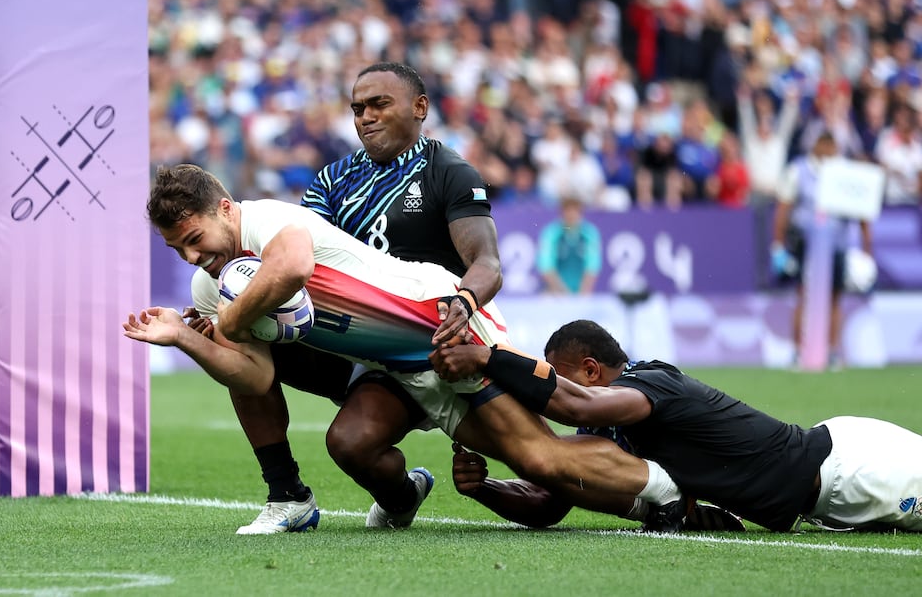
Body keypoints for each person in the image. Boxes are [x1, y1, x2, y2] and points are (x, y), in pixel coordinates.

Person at [124, 165, 693, 531]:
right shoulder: (210, 285)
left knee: (539, 458)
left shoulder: (269, 221)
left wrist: (229, 318)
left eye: (195, 240)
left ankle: (665, 487)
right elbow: (251, 379)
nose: (193, 259)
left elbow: (293, 268)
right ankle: (649, 501)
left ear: (224, 210)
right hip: (402, 368)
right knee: (519, 459)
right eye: (178, 251)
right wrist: (183, 337)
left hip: (441, 322)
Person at [220, 61, 506, 533]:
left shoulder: (450, 172)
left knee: (536, 455)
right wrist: (227, 302)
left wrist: (466, 301)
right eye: (357, 108)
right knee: (235, 333)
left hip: (425, 345)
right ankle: (293, 495)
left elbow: (487, 263)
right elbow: (296, 258)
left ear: (420, 108)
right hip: (349, 341)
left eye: (379, 104)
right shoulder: (332, 180)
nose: (365, 117)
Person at [430, 320, 922, 532]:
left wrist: (489, 358)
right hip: (829, 492)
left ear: (591, 370)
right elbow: (551, 501)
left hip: (853, 467)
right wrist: (486, 491)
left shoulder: (653, 383)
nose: (559, 385)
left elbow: (575, 406)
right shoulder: (611, 429)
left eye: (562, 373)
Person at [771, 132, 874, 367]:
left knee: (836, 297)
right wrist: (777, 245)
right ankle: (798, 350)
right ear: (816, 146)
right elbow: (783, 209)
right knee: (803, 294)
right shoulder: (798, 170)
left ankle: (832, 350)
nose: (829, 150)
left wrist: (867, 249)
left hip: (836, 244)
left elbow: (862, 213)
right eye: (825, 145)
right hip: (805, 244)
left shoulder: (845, 172)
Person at [535, 195, 602, 295]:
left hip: (581, 293)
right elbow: (546, 267)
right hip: (555, 293)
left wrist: (582, 294)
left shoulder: (590, 233)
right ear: (562, 213)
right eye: (568, 211)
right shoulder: (551, 232)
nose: (571, 215)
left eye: (575, 211)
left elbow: (592, 267)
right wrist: (564, 294)